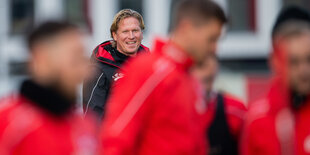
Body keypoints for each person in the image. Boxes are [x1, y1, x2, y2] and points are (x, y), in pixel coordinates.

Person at [101, 0, 227, 154]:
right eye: (211, 39)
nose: (215, 48)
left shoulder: (189, 77)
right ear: (186, 28)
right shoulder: (149, 70)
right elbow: (115, 141)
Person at [0, 21, 98, 155]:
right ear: (42, 59)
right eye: (75, 60)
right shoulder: (8, 123)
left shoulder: (85, 124)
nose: (86, 72)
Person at [241, 6, 310, 155]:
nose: (304, 70)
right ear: (276, 62)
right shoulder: (258, 119)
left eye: (309, 60)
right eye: (294, 62)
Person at [83, 9, 149, 119]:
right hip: (113, 134)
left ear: (141, 34)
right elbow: (92, 116)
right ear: (115, 35)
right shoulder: (100, 67)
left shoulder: (150, 62)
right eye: (125, 31)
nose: (131, 36)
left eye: (135, 30)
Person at [192, 53, 247, 155]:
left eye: (207, 65)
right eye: (200, 65)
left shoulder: (235, 110)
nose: (204, 74)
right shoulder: (174, 112)